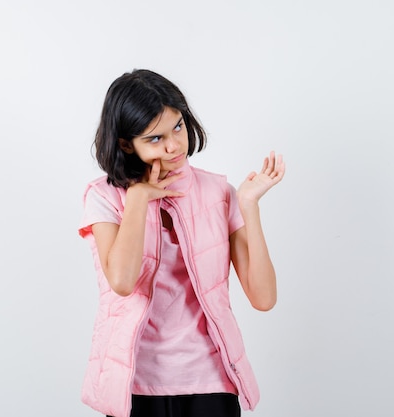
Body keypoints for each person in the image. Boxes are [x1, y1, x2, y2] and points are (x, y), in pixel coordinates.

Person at [78, 69, 285, 417]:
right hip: (133, 385)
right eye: (155, 138)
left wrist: (249, 205)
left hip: (211, 382)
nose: (174, 145)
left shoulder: (218, 193)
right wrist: (139, 198)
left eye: (177, 126)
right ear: (127, 144)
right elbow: (123, 282)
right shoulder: (104, 197)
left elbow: (264, 298)